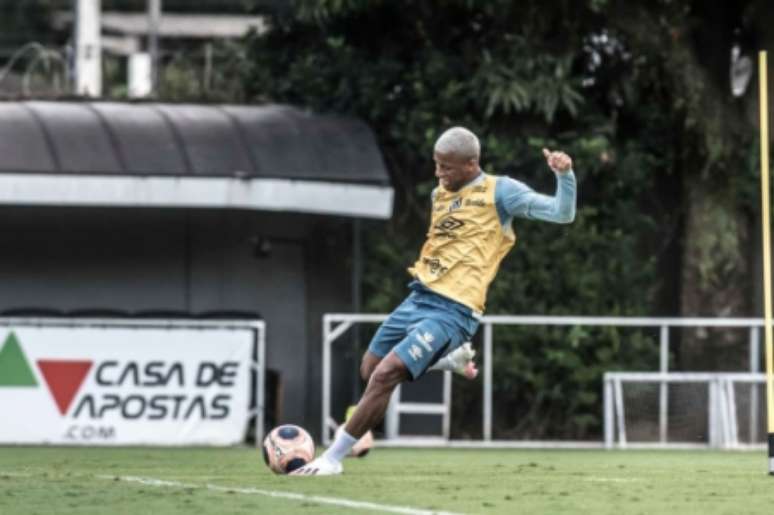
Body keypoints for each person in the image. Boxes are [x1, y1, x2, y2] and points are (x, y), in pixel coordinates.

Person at [293, 126, 576, 475]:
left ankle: (331, 459)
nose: (439, 173)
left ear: (472, 164)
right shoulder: (438, 193)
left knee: (385, 375)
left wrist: (565, 176)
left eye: (447, 167)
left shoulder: (502, 192)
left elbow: (562, 213)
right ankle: (445, 360)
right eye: (436, 165)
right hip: (418, 298)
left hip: (455, 309)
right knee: (369, 370)